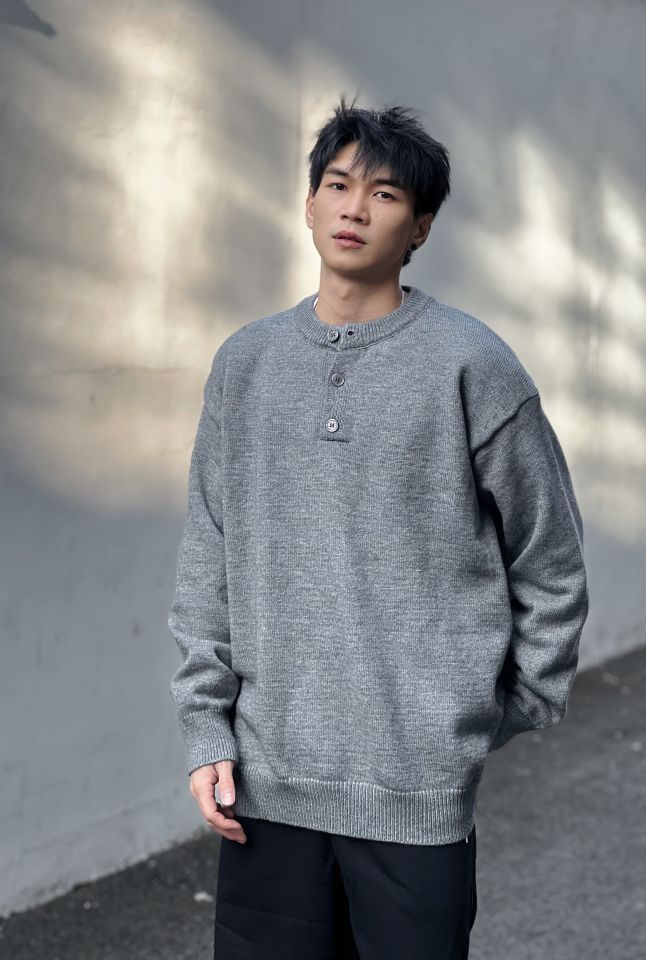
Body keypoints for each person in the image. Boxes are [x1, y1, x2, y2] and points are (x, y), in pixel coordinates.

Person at [168, 95, 590, 960]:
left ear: (421, 227)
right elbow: (209, 554)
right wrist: (207, 728)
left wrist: (482, 716)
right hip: (267, 784)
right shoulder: (245, 363)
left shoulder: (472, 364)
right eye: (337, 184)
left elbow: (550, 556)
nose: (355, 208)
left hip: (416, 793)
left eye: (386, 194)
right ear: (309, 203)